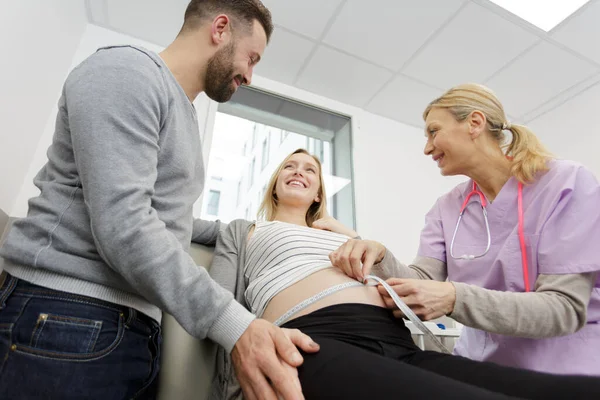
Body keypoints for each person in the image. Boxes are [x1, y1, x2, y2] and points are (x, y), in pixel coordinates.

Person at [0, 1, 318, 399]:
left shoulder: (182, 114)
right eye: (251, 58)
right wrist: (235, 324)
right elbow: (126, 224)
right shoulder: (126, 73)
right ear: (220, 28)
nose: (250, 76)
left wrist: (255, 232)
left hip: (132, 332)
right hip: (68, 316)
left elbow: (167, 222)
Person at [208, 148, 600, 400]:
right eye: (289, 167)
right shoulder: (244, 230)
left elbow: (404, 275)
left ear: (318, 194)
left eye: (310, 169)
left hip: (397, 337)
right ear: (274, 187)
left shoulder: (342, 232)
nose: (299, 171)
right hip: (314, 339)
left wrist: (365, 242)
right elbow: (214, 293)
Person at [330, 83, 600, 376]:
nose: (427, 148)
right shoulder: (446, 208)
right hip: (480, 365)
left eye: (434, 131)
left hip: (565, 366)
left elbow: (563, 309)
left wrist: (454, 298)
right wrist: (380, 256)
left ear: (474, 123)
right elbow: (424, 279)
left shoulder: (565, 184)